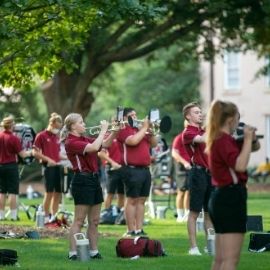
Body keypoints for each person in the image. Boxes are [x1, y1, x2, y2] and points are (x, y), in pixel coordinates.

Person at [205, 100, 260, 270]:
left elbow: (255, 148)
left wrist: (251, 140)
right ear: (230, 120)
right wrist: (248, 138)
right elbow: (240, 165)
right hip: (230, 199)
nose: (238, 121)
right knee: (230, 261)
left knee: (220, 260)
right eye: (237, 118)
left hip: (220, 198)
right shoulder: (224, 141)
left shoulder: (220, 139)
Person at [61, 113, 117, 260]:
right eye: (81, 122)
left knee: (95, 221)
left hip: (94, 180)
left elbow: (106, 144)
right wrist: (104, 130)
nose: (85, 124)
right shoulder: (71, 141)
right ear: (73, 126)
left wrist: (115, 130)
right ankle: (73, 253)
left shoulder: (84, 138)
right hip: (82, 181)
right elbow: (93, 148)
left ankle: (93, 251)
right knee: (79, 220)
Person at [117, 107, 158, 236]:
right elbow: (133, 141)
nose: (135, 117)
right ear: (124, 118)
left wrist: (152, 131)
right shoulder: (123, 129)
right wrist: (144, 128)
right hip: (131, 169)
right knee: (132, 200)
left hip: (145, 170)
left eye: (136, 115)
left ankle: (139, 229)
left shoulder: (140, 129)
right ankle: (130, 230)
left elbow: (154, 144)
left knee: (141, 200)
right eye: (131, 115)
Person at [182, 102, 213, 255]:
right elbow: (202, 139)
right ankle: (193, 248)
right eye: (196, 112)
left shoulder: (202, 130)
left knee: (209, 212)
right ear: (188, 116)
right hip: (198, 174)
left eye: (200, 112)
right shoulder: (188, 133)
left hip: (209, 174)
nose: (200, 114)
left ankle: (210, 246)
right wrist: (214, 121)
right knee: (194, 212)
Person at [33, 112, 65, 223]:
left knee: (58, 193)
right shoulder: (41, 136)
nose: (59, 127)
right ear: (53, 123)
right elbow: (35, 153)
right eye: (58, 125)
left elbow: (57, 154)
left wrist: (69, 157)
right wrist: (48, 159)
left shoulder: (56, 137)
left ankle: (53, 217)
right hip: (48, 167)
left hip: (57, 167)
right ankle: (45, 217)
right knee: (49, 192)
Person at [0, 115, 33, 221]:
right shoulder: (14, 138)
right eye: (13, 123)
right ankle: (13, 216)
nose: (15, 125)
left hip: (1, 166)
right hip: (11, 166)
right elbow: (23, 154)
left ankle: (1, 216)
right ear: (11, 125)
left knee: (2, 192)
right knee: (13, 192)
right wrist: (31, 152)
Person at [172, 120, 192, 223]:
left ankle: (187, 214)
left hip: (192, 167)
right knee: (181, 191)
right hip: (182, 168)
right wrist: (184, 162)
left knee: (189, 191)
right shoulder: (179, 138)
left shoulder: (194, 138)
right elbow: (174, 153)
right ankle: (180, 215)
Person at [98, 138, 125, 211]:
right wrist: (112, 162)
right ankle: (106, 213)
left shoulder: (124, 136)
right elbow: (100, 153)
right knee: (110, 193)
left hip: (124, 167)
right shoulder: (109, 137)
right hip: (112, 168)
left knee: (122, 193)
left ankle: (119, 214)